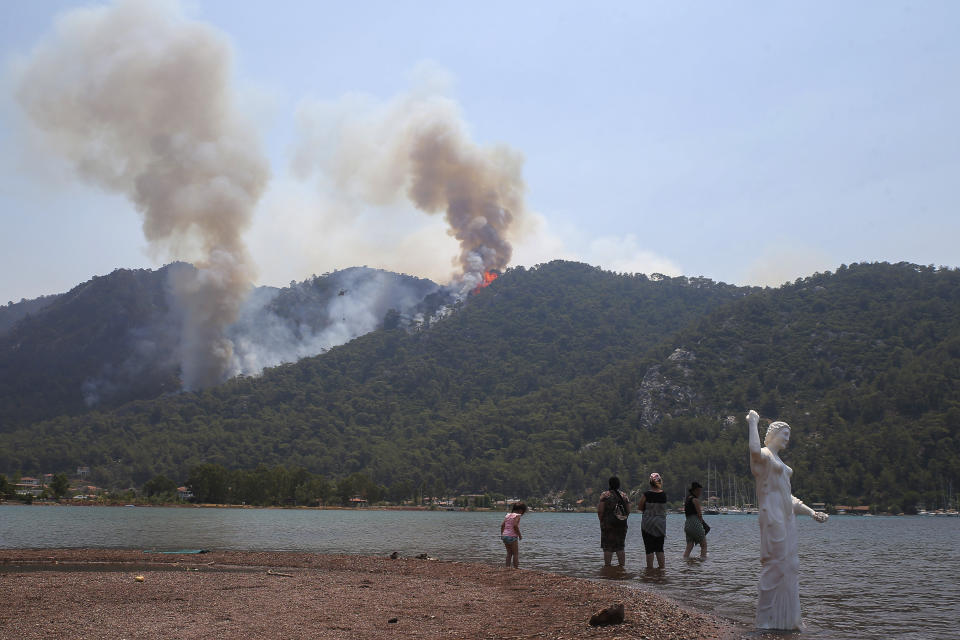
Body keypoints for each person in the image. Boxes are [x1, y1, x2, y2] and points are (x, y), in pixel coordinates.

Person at [747, 409, 828, 630]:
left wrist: (811, 512)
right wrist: (752, 422)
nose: (788, 438)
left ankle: (786, 619)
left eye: (789, 435)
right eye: (785, 433)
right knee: (774, 565)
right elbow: (754, 450)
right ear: (772, 434)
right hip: (772, 516)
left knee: (790, 566)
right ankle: (765, 619)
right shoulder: (764, 456)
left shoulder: (781, 465)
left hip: (787, 517)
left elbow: (789, 497)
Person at [597, 476, 630, 566]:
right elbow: (628, 511)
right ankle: (622, 568)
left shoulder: (605, 495)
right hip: (621, 524)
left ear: (609, 484)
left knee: (608, 547)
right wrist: (621, 519)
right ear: (619, 485)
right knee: (620, 547)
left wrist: (602, 521)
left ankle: (607, 567)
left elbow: (600, 511)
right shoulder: (624, 495)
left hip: (608, 525)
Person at [636, 472, 667, 570]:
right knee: (659, 548)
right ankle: (661, 570)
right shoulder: (663, 495)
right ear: (660, 481)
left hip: (647, 524)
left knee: (649, 548)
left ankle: (649, 571)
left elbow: (640, 508)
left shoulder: (646, 494)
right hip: (660, 524)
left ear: (650, 482)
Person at [683, 481, 708, 559]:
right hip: (695, 523)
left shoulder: (687, 499)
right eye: (699, 491)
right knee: (704, 545)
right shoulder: (695, 500)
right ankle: (702, 560)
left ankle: (685, 560)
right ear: (696, 490)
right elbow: (699, 515)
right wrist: (702, 525)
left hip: (687, 524)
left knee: (689, 545)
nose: (700, 493)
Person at [500, 502, 527, 568]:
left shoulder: (508, 515)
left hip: (505, 536)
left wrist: (502, 534)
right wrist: (519, 535)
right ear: (521, 510)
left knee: (509, 553)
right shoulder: (517, 516)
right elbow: (515, 526)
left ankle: (507, 567)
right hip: (512, 536)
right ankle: (516, 568)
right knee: (515, 553)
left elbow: (502, 525)